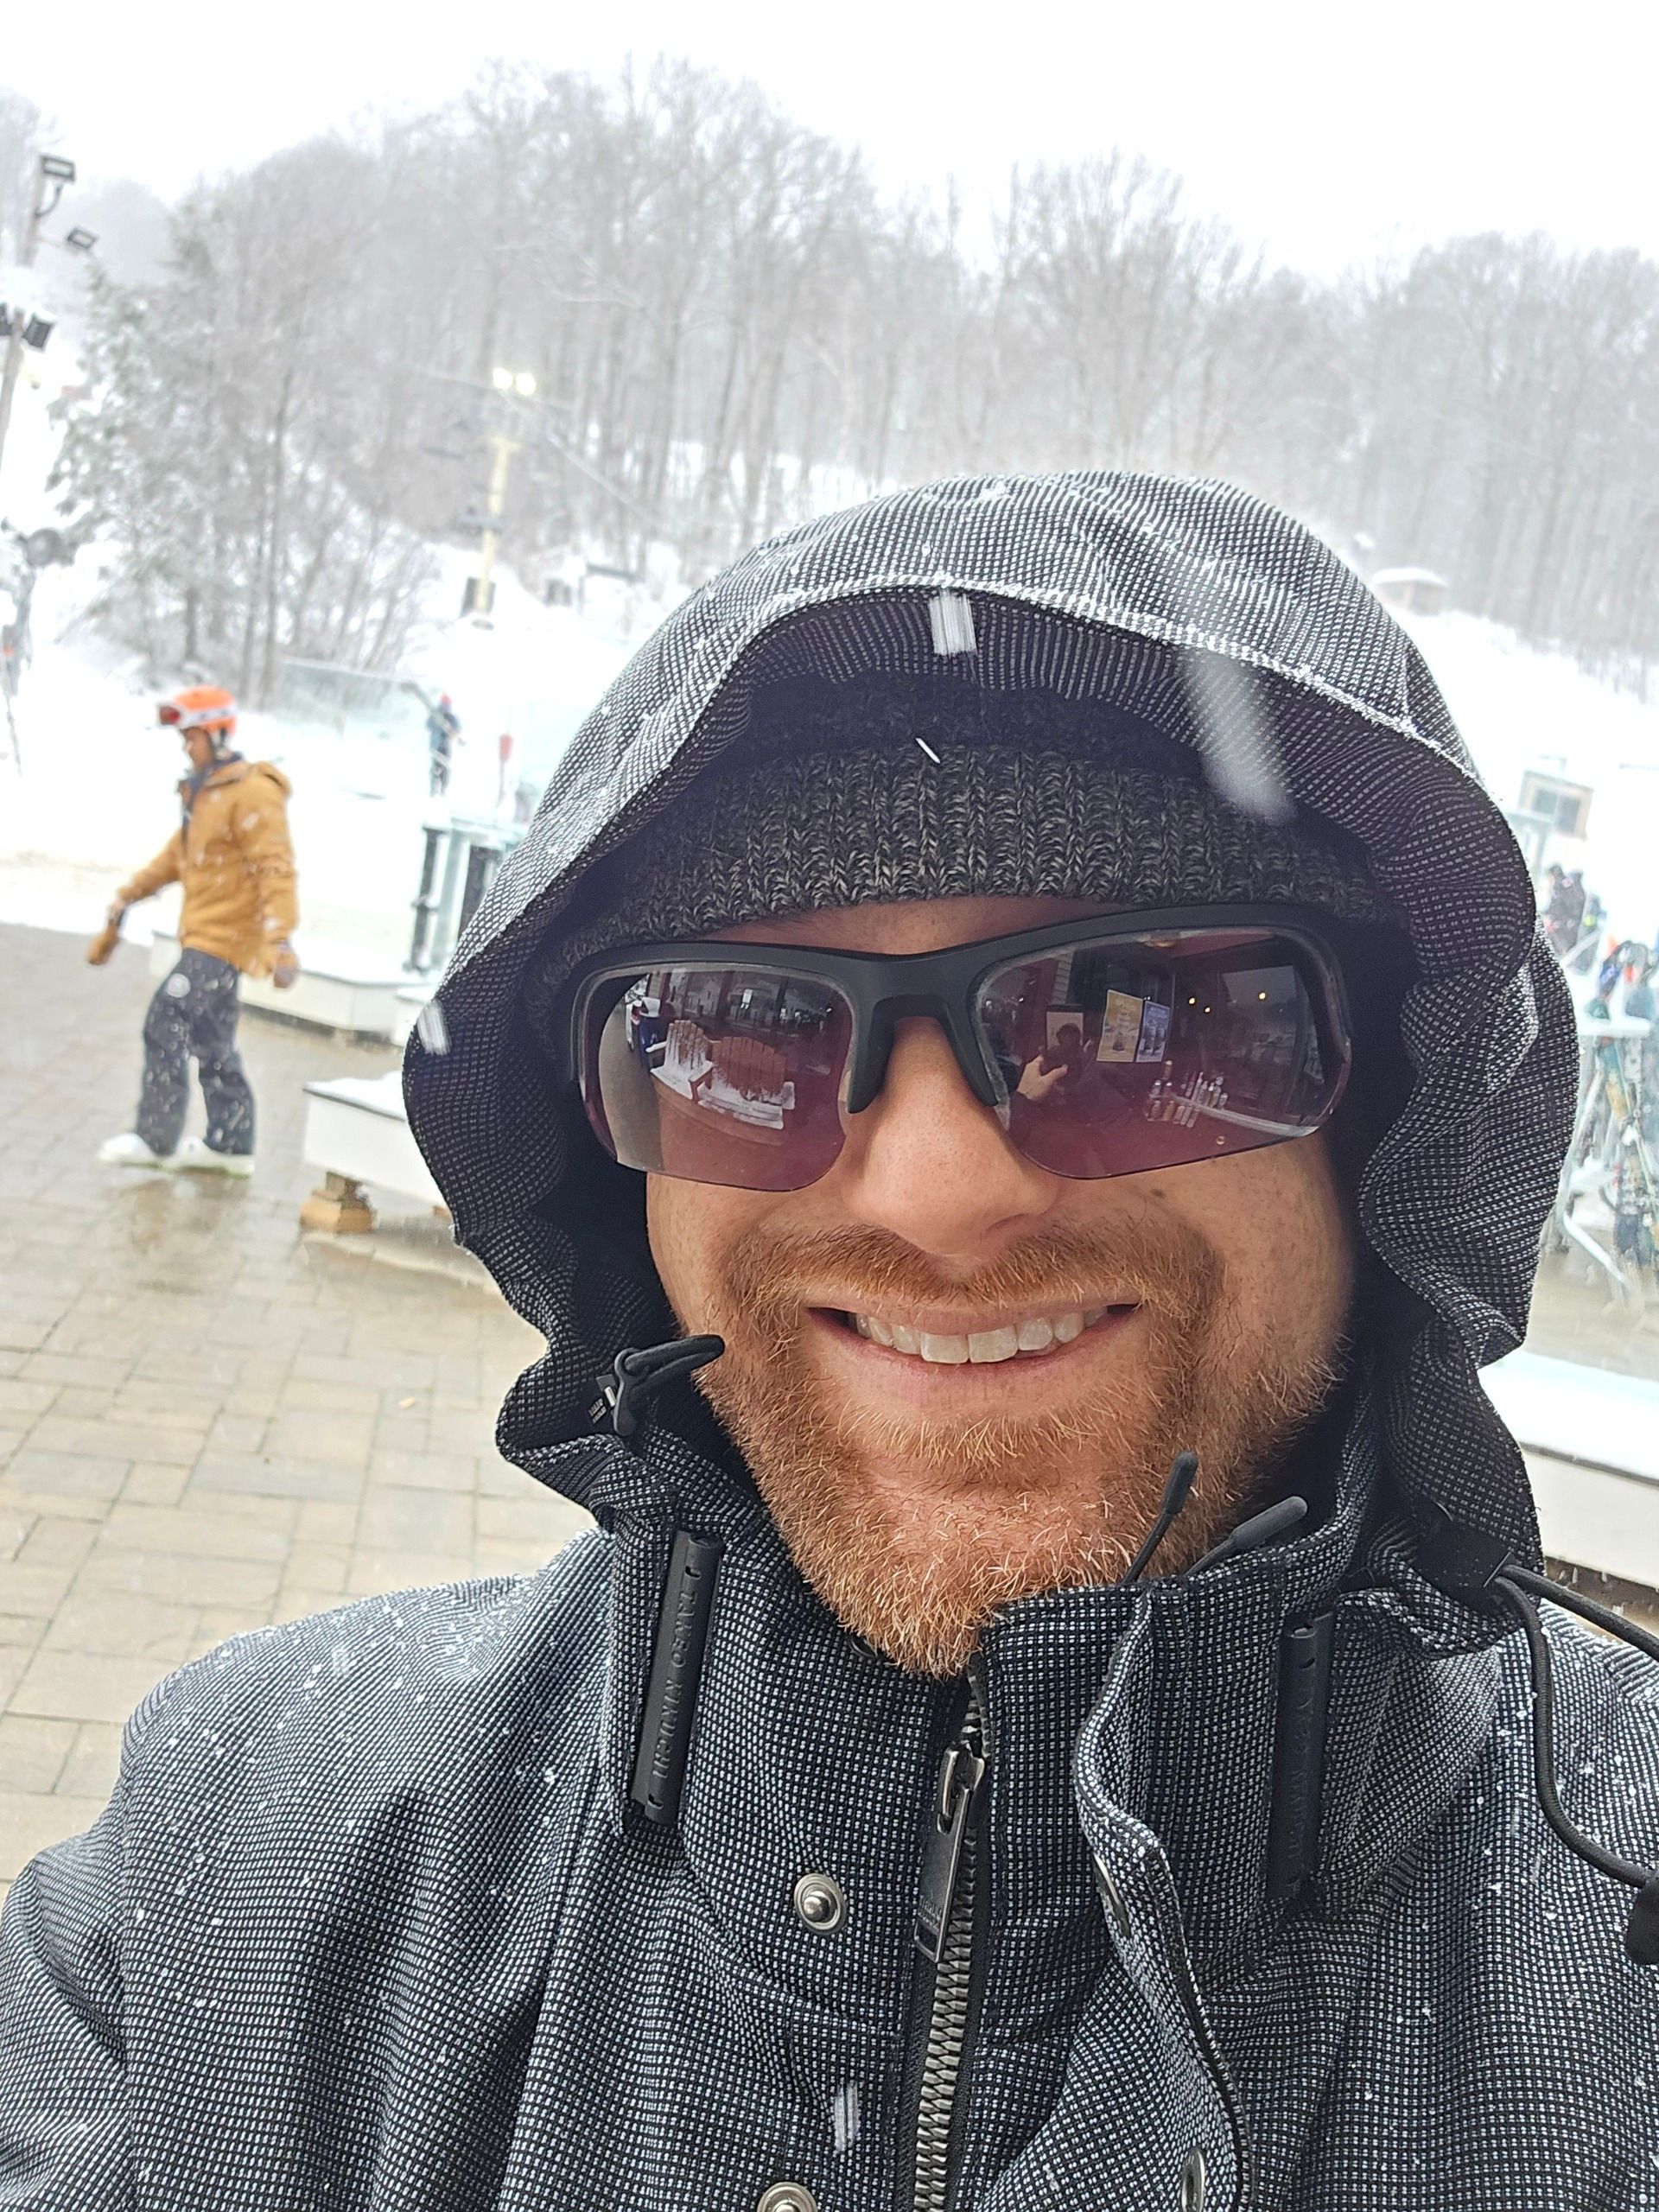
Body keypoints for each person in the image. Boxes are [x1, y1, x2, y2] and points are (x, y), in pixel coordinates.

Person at [7, 476, 1657, 2206]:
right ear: (612, 1153)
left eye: (1139, 1018)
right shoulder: (237, 1880)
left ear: (1382, 1134)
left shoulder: (1612, 1975)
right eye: (744, 1032)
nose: (938, 1190)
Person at [90, 685, 299, 1176]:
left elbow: (276, 867)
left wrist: (281, 939)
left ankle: (154, 1138)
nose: (187, 746)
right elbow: (175, 859)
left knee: (165, 1019)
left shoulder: (251, 792)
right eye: (185, 738)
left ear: (221, 732)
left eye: (193, 737)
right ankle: (230, 1146)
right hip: (204, 937)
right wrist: (127, 897)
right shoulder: (205, 794)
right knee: (211, 1041)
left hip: (222, 942)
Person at [427, 690, 461, 794]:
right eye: (443, 704)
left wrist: (450, 728)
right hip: (436, 745)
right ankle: (433, 788)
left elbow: (457, 729)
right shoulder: (435, 715)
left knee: (445, 768)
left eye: (446, 705)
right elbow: (428, 725)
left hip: (446, 746)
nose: (445, 707)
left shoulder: (452, 718)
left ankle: (443, 788)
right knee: (435, 767)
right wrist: (437, 722)